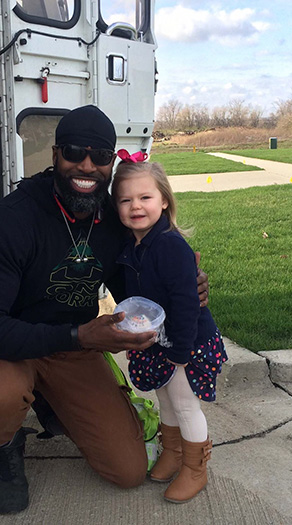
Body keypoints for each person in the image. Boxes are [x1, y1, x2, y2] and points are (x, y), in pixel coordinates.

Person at [0, 105, 209, 515]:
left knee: (127, 471)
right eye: (74, 151)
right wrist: (80, 335)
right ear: (55, 154)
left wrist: (184, 287)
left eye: (100, 156)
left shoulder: (111, 219)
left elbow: (135, 285)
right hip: (4, 349)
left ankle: (53, 402)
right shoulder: (8, 221)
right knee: (0, 395)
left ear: (111, 162)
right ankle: (0, 446)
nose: (86, 165)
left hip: (71, 349)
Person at [112, 160, 228, 503]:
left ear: (164, 200)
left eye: (145, 197)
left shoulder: (170, 246)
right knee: (164, 398)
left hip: (185, 341)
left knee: (185, 403)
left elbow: (187, 302)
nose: (135, 206)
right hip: (157, 341)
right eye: (125, 200)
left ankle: (195, 468)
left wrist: (181, 351)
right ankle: (173, 452)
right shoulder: (133, 245)